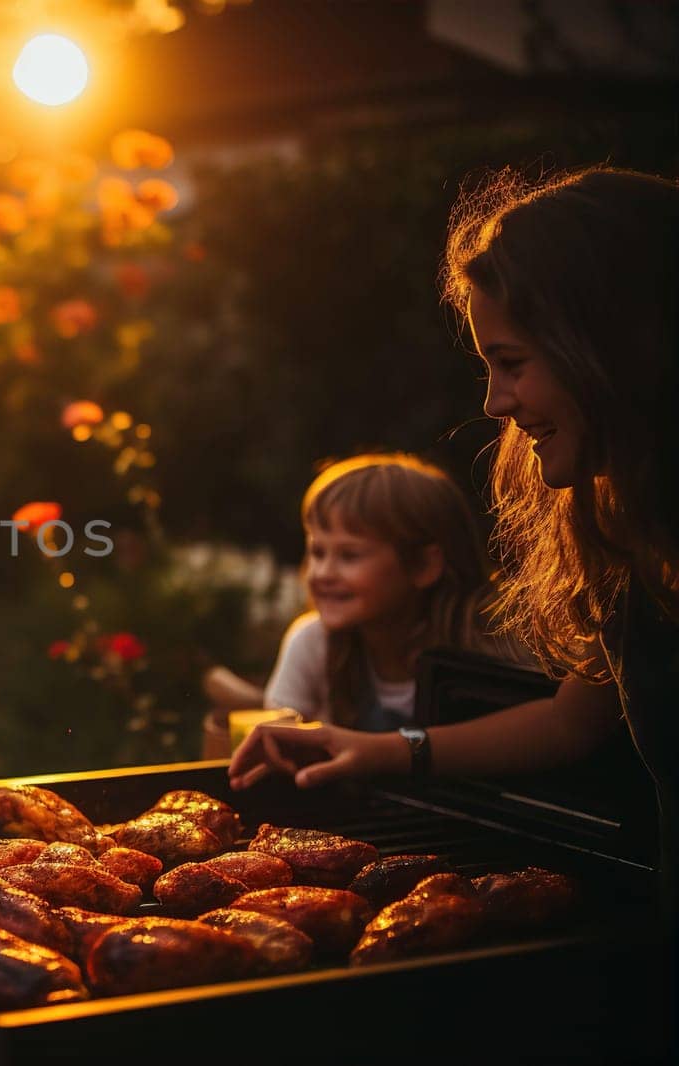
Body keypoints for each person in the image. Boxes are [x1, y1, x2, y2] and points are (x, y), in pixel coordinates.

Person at [228, 168, 677, 994]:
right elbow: (574, 723)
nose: (496, 402)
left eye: (510, 362)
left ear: (614, 350)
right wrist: (374, 750)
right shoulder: (635, 548)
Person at [261, 452, 521, 730]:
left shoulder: (496, 645)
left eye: (349, 555)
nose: (323, 573)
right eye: (317, 552)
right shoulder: (313, 643)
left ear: (424, 566)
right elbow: (279, 739)